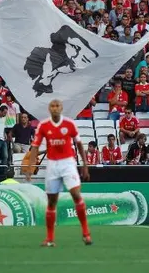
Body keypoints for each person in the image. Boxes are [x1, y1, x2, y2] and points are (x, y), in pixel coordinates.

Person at [25, 99, 92, 246]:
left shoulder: (69, 124)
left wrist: (85, 165)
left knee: (76, 195)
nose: (55, 108)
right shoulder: (43, 125)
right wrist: (30, 167)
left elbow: (79, 144)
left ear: (61, 108)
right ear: (49, 109)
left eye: (57, 106)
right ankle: (49, 238)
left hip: (68, 163)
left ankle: (86, 233)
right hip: (53, 165)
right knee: (52, 202)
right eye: (52, 106)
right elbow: (35, 147)